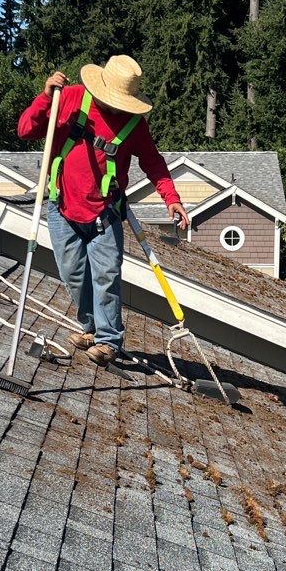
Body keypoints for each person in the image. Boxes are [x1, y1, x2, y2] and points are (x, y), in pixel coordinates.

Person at [18, 55, 189, 366]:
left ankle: (109, 340)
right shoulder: (68, 99)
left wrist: (171, 197)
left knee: (107, 276)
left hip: (105, 212)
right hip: (62, 206)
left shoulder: (135, 123)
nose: (117, 108)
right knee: (73, 273)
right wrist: (45, 97)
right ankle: (91, 329)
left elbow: (153, 161)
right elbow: (26, 129)